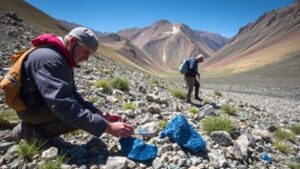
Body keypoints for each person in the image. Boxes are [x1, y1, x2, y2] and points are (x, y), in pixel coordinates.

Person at [1, 27, 134, 144]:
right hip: (31, 110)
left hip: (41, 103)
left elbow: (73, 95)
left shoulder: (62, 58)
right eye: (86, 51)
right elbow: (63, 105)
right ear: (72, 42)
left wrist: (102, 115)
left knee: (82, 114)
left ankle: (35, 128)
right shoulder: (50, 59)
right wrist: (108, 127)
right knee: (75, 116)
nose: (87, 58)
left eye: (90, 54)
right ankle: (29, 132)